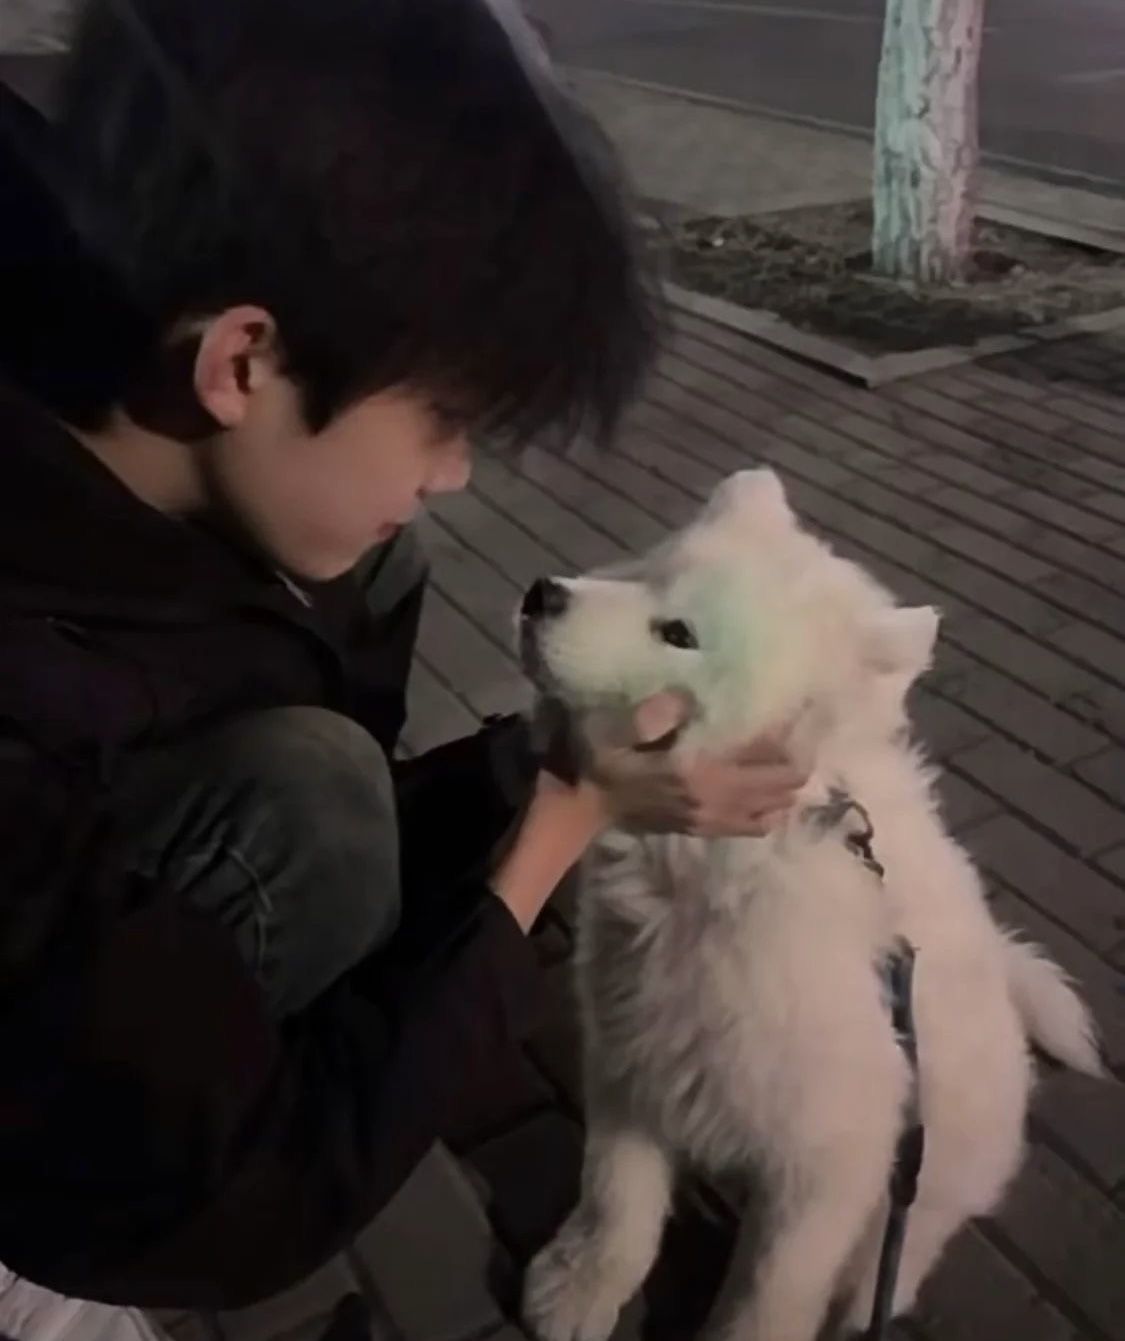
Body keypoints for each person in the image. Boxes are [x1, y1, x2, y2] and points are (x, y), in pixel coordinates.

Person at [0, 0, 805, 1312]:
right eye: (444, 418)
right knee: (322, 799)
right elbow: (246, 1203)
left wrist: (542, 768)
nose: (455, 472)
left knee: (367, 593)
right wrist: (555, 830)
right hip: (124, 1175)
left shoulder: (82, 341)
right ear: (242, 360)